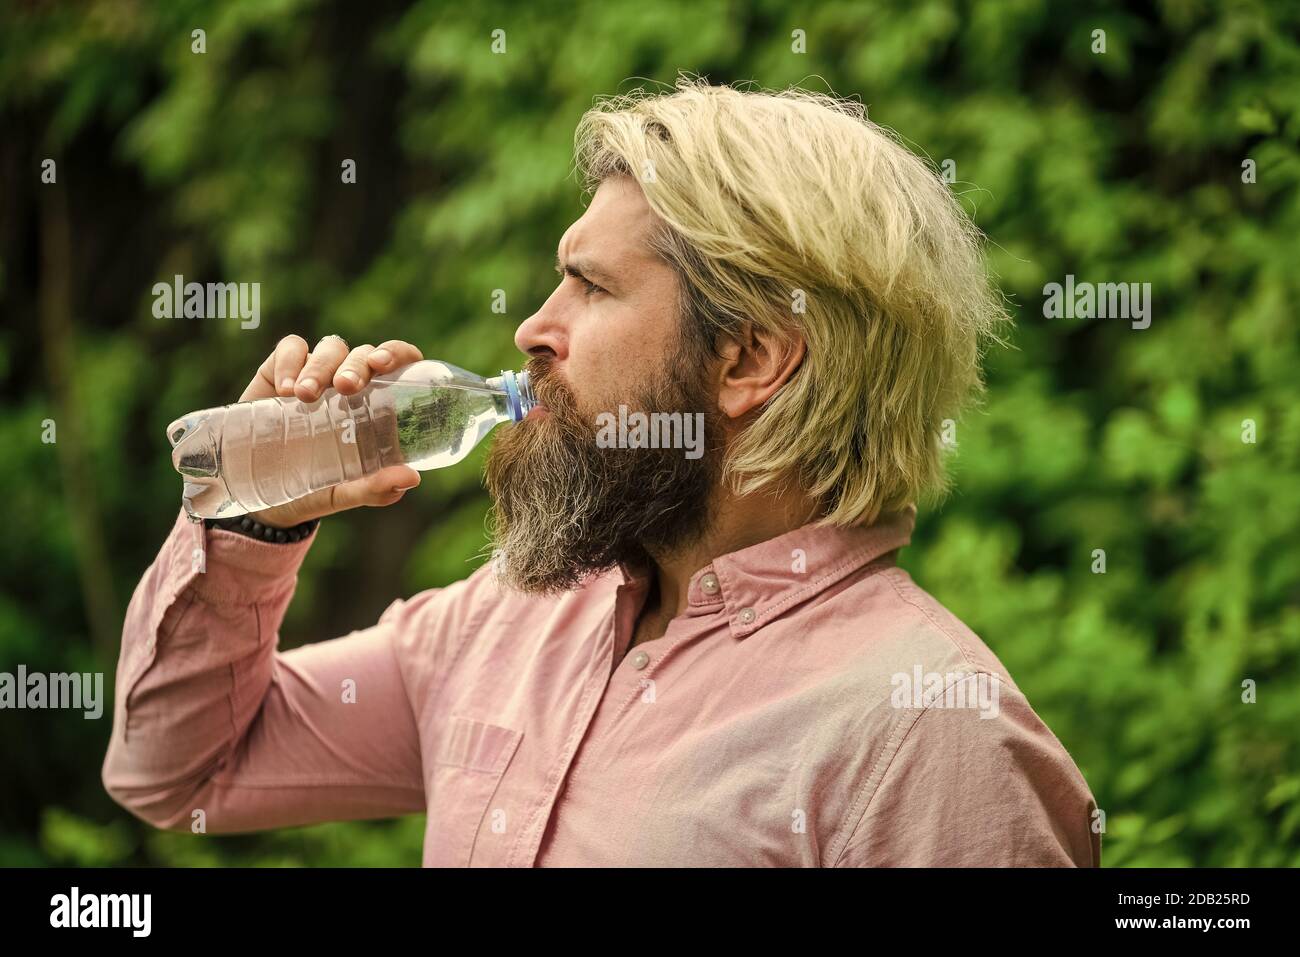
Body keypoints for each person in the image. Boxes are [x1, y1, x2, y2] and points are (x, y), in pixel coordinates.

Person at [103, 78, 1100, 866]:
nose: (534, 328)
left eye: (589, 286)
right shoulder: (506, 625)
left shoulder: (927, 741)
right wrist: (257, 520)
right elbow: (181, 774)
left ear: (748, 358)